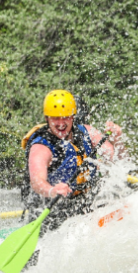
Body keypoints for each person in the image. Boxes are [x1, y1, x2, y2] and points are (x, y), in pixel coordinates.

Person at [21, 90, 126, 233]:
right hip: (51, 210)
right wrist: (52, 190)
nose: (61, 123)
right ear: (47, 119)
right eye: (55, 118)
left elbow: (117, 160)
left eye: (65, 118)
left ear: (73, 117)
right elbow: (37, 181)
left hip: (84, 202)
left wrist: (117, 139)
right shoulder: (41, 147)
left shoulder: (88, 133)